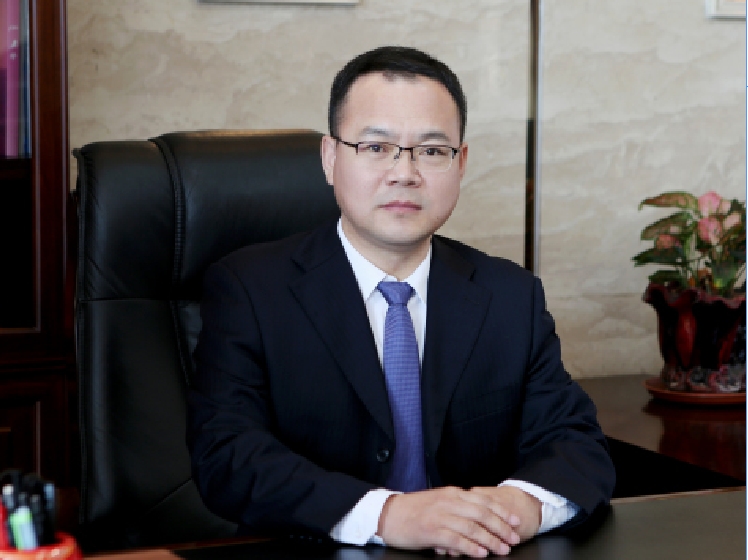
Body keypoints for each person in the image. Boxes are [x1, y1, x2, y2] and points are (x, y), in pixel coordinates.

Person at [187, 45, 615, 558]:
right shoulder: (251, 288)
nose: (404, 173)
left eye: (432, 151)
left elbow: (577, 444)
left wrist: (514, 508)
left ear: (461, 163)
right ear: (330, 158)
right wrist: (388, 515)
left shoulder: (510, 295)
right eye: (376, 147)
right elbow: (228, 456)